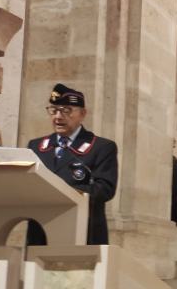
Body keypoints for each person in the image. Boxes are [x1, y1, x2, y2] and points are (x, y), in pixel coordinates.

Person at [26, 83, 119, 245]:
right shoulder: (36, 146)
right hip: (41, 233)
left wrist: (62, 192)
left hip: (82, 231)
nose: (58, 117)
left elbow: (105, 189)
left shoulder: (101, 147)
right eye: (54, 110)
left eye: (66, 110)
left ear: (83, 114)